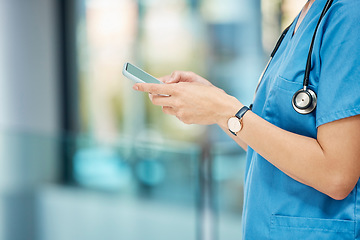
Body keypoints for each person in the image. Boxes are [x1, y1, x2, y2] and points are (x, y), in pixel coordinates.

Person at [133, 0, 360, 238]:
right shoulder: (302, 19)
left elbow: (337, 174)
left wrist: (225, 110)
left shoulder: (348, 15)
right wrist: (216, 105)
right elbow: (267, 147)